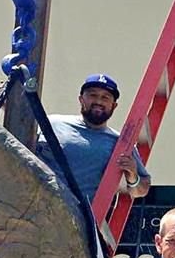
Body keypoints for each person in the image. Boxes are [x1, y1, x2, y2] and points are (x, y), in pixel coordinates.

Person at [36, 72, 151, 203]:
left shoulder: (120, 143)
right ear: (81, 99)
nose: (98, 101)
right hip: (34, 209)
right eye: (93, 95)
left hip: (77, 219)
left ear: (114, 106)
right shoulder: (50, 124)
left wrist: (133, 175)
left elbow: (141, 190)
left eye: (105, 97)